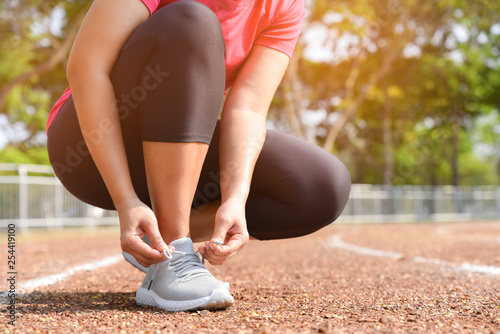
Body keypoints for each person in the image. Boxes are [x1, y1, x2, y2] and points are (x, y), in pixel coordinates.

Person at [46, 0, 351, 312]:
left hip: (177, 141)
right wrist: (125, 199)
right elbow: (86, 67)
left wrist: (236, 196)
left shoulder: (284, 6)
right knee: (193, 20)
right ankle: (174, 254)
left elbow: (247, 108)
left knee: (322, 185)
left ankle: (159, 240)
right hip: (88, 147)